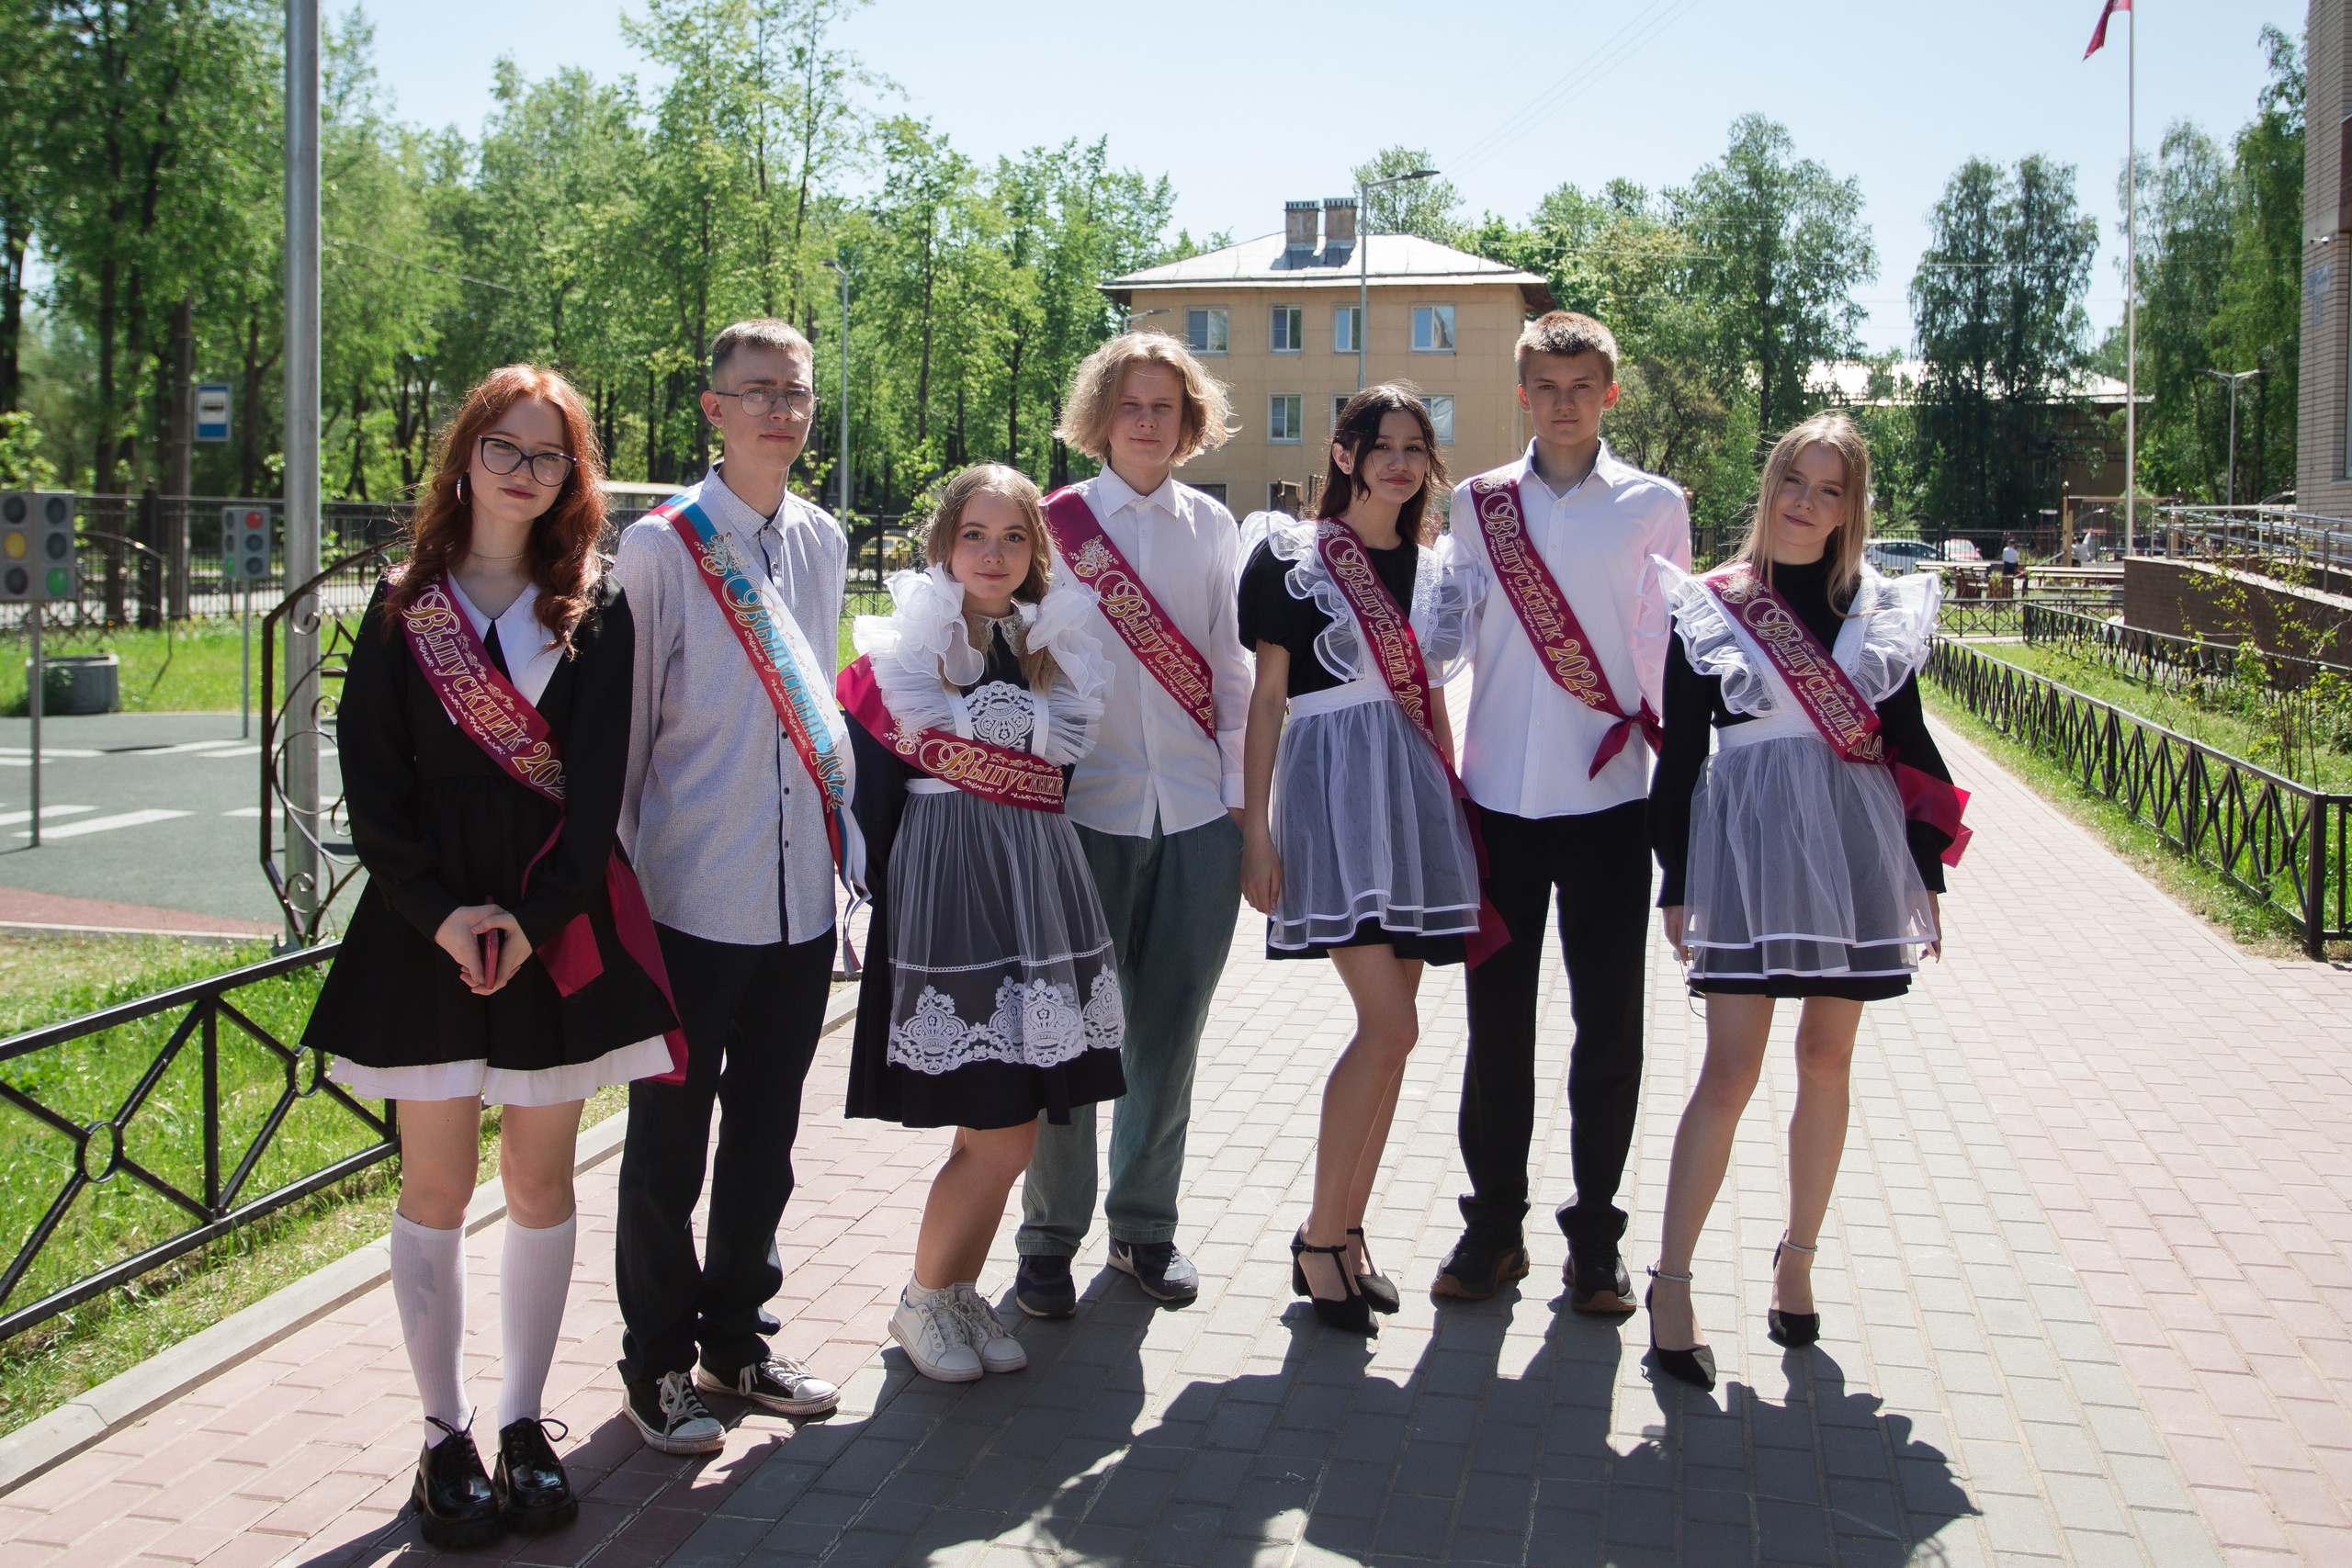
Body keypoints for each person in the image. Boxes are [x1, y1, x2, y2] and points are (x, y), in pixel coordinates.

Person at [309, 366, 679, 1547]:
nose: (525, 474)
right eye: (505, 449)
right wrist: (436, 912)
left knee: (537, 1183)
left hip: (547, 928)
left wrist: (537, 916)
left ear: (575, 477)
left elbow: (601, 783)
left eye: (550, 457)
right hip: (429, 936)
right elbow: (374, 791)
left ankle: (523, 1427)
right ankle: (443, 1435)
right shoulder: (400, 603)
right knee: (435, 1187)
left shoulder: (594, 606)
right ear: (465, 456)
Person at [1642, 412, 1967, 1390]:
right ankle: (1672, 1282)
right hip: (1742, 854)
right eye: (1794, 480)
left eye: (1830, 490)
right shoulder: (1710, 605)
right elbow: (1682, 757)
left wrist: (1926, 872)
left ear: (1849, 510)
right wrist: (1677, 878)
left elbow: (1905, 740)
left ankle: (1795, 1263)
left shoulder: (1876, 606)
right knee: (1730, 1071)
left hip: (1853, 854)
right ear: (1770, 485)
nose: (1806, 502)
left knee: (1826, 1061)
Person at [611, 319, 850, 1452]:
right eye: (755, 392)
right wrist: (611, 902)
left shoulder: (823, 539)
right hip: (685, 898)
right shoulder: (661, 548)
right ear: (712, 409)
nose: (779, 412)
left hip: (799, 900)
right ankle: (654, 1362)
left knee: (768, 1130)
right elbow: (623, 737)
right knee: (669, 1140)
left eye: (795, 392)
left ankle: (736, 1341)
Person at [839, 464, 1125, 1380]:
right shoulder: (908, 643)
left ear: (1035, 551)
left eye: (1012, 538)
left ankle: (958, 1293)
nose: (992, 555)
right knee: (998, 1121)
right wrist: (904, 905)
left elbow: (1058, 782)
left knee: (1012, 1122)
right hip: (948, 889)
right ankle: (924, 1298)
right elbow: (873, 791)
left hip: (1035, 884)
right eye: (974, 535)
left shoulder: (1054, 643)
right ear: (944, 544)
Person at [1439, 311, 1690, 1311]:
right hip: (1496, 793)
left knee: (1608, 1027)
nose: (1564, 401)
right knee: (1494, 1026)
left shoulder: (1652, 505)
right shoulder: (1476, 502)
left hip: (1608, 800)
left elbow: (1671, 651)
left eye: (1582, 384)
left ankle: (1595, 1236)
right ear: (1522, 394)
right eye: (1546, 384)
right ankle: (1492, 1229)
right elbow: (1446, 631)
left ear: (1610, 394)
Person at [1238, 385, 1489, 1333]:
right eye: (1378, 445)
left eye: (1414, 446)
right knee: (1389, 1032)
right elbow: (1267, 701)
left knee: (1396, 1038)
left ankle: (1346, 1235)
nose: (1397, 461)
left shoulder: (1435, 574)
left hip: (1414, 801)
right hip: (1331, 797)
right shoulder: (1290, 557)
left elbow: (1433, 699)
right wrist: (1256, 830)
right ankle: (1314, 1235)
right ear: (1343, 455)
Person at [1013, 333, 1253, 1317]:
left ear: (1189, 420)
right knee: (1071, 1039)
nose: (1147, 420)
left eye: (1165, 405)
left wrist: (1247, 811)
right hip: (1085, 816)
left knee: (1170, 1033)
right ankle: (1046, 1241)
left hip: (1198, 814)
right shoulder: (1050, 525)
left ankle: (1143, 1229)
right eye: (1130, 404)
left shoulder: (1214, 526)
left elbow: (1233, 676)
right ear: (1099, 418)